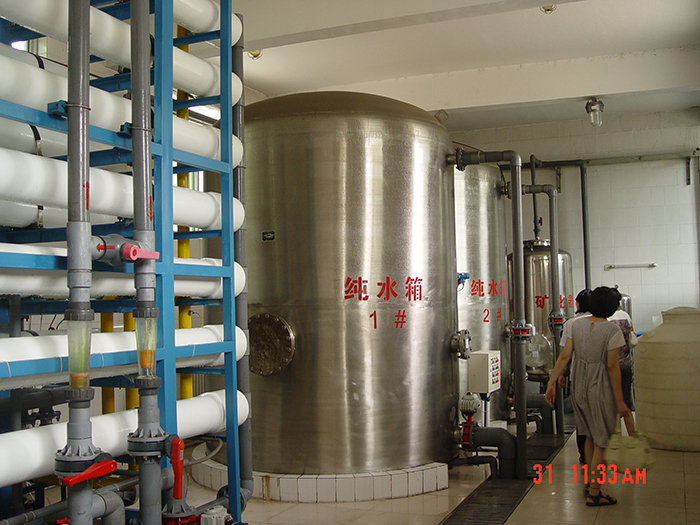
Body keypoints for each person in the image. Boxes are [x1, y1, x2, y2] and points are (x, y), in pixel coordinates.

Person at [546, 286, 631, 507]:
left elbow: (564, 356)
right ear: (612, 308)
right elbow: (612, 367)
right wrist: (620, 401)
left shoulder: (576, 325)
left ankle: (591, 483)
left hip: (579, 387)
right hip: (600, 388)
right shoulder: (612, 331)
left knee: (590, 437)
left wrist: (551, 383)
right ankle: (595, 493)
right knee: (602, 441)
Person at [557, 289, 592, 463]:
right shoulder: (604, 322)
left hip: (578, 375)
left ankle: (584, 455)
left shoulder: (571, 323)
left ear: (578, 303)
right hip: (600, 377)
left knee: (582, 419)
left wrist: (560, 374)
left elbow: (566, 354)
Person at [608, 289, 637, 436]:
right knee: (626, 403)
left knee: (613, 404)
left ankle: (617, 437)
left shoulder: (606, 318)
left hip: (612, 365)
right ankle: (632, 436)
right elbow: (633, 341)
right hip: (626, 363)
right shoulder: (626, 316)